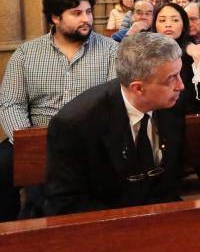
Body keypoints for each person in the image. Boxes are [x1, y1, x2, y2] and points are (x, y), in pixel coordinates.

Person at [0, 0, 119, 221]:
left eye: (88, 12)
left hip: (87, 138)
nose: (86, 19)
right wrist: (28, 140)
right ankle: (8, 233)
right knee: (2, 166)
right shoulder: (26, 54)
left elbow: (112, 100)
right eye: (77, 13)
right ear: (55, 17)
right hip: (37, 133)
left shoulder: (111, 51)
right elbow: (11, 103)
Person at [43, 33, 185, 216]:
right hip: (102, 221)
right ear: (138, 88)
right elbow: (66, 201)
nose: (181, 85)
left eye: (179, 74)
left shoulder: (172, 102)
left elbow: (171, 177)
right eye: (171, 78)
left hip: (161, 215)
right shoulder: (76, 123)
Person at [153, 3, 200, 113]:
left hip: (186, 115)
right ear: (154, 25)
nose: (168, 25)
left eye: (175, 20)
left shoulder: (194, 51)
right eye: (162, 20)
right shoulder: (145, 53)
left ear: (183, 25)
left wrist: (198, 60)